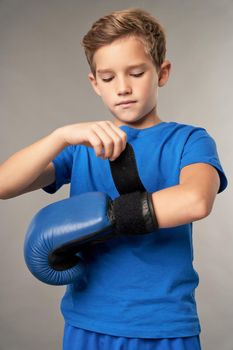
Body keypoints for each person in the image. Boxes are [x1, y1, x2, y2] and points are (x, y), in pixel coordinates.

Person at [0, 7, 228, 350]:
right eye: (108, 78)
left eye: (136, 73)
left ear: (162, 73)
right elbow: (4, 184)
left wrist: (101, 221)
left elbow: (195, 199)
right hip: (87, 320)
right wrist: (59, 136)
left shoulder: (189, 140)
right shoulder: (82, 147)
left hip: (164, 324)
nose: (122, 88)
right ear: (95, 84)